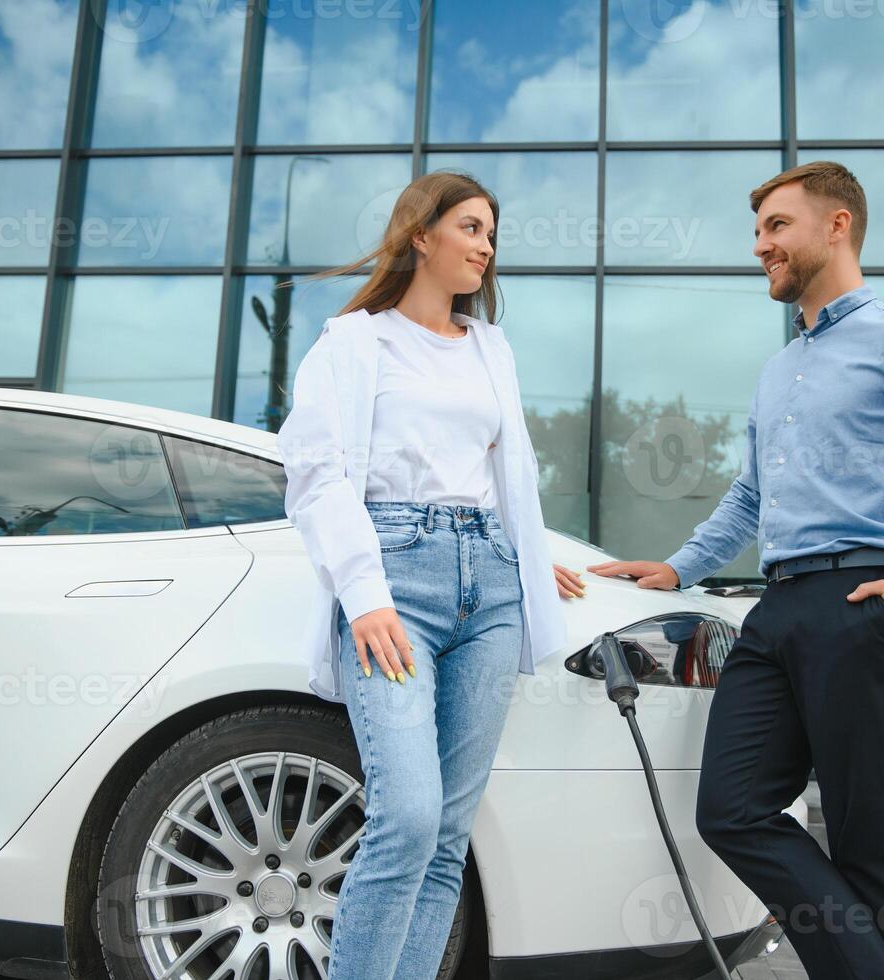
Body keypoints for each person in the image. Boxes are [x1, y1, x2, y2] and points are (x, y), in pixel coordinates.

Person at [586, 161, 884, 979]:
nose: (759, 245)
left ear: (836, 226)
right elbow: (751, 494)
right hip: (781, 607)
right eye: (758, 229)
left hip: (869, 601)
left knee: (870, 847)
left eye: (775, 227)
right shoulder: (778, 371)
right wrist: (681, 564)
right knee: (730, 809)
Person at [277, 170, 586, 980]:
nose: (485, 246)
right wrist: (364, 594)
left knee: (449, 831)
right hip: (395, 577)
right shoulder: (353, 342)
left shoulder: (490, 347)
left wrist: (528, 550)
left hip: (490, 585)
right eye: (471, 228)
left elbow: (505, 473)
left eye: (491, 233)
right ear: (421, 235)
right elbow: (314, 475)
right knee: (408, 816)